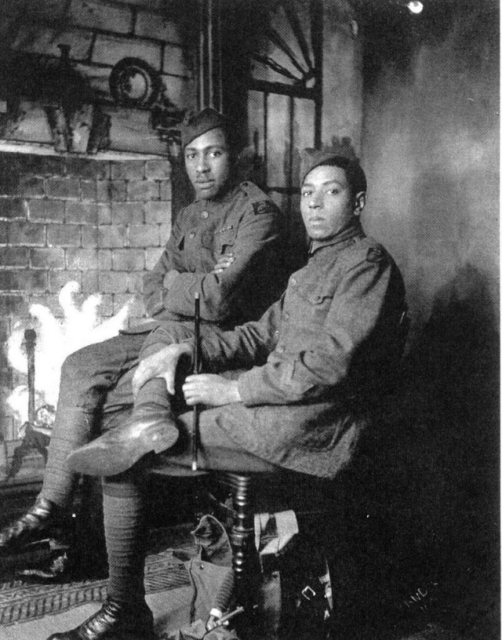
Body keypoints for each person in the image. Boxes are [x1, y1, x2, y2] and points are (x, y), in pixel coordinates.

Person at [45, 142, 407, 640]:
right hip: (279, 412)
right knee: (166, 352)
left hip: (311, 430)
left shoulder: (367, 263)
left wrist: (231, 391)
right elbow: (259, 334)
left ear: (358, 204)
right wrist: (191, 351)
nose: (315, 204)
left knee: (124, 458)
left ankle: (125, 612)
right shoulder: (312, 268)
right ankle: (145, 423)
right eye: (307, 193)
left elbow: (328, 366)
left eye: (331, 192)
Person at [0, 107, 285, 557]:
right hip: (171, 327)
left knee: (123, 385)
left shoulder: (258, 213)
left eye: (213, 154)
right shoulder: (191, 215)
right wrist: (182, 286)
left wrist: (178, 286)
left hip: (221, 342)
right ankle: (50, 503)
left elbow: (216, 302)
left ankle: (123, 461)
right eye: (192, 156)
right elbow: (151, 287)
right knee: (80, 364)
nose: (202, 167)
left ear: (236, 157)